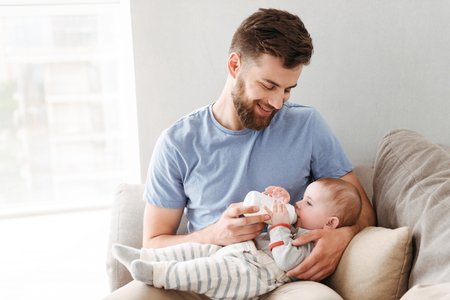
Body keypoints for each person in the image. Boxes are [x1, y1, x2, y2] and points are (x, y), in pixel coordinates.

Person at [104, 7, 375, 300]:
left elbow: (363, 210)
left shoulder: (307, 126)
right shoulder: (177, 143)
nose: (277, 103)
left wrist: (343, 235)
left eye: (287, 90)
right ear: (235, 66)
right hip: (203, 274)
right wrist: (214, 234)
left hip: (280, 279)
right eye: (268, 85)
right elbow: (153, 244)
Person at [112, 178, 362, 300]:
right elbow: (270, 227)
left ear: (330, 223)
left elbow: (286, 259)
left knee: (207, 269)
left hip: (256, 274)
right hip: (242, 251)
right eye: (301, 198)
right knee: (199, 251)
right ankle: (146, 257)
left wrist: (279, 224)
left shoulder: (316, 243)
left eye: (308, 202)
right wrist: (279, 203)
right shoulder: (299, 221)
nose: (299, 203)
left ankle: (156, 274)